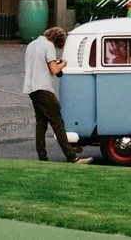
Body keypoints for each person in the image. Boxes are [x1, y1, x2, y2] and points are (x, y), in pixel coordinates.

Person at [23, 26, 86, 163]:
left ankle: (42, 156)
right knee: (58, 122)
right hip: (44, 89)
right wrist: (63, 64)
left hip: (31, 89)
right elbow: (55, 70)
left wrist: (55, 65)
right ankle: (72, 157)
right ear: (57, 40)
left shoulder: (31, 45)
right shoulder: (49, 45)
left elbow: (39, 66)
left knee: (41, 124)